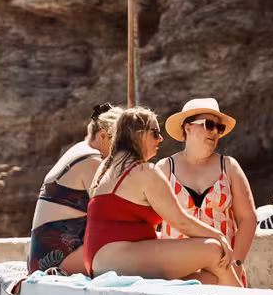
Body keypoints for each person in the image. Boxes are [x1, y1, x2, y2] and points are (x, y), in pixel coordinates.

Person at [84, 107, 242, 284]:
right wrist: (220, 237)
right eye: (155, 133)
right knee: (214, 250)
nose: (161, 138)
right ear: (138, 134)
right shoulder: (144, 170)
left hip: (99, 261)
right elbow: (182, 222)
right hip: (118, 260)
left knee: (207, 279)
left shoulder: (107, 166)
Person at [157, 98, 259, 286]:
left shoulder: (228, 166)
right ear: (187, 128)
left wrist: (236, 264)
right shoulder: (164, 169)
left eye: (218, 128)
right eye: (209, 125)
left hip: (224, 274)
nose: (215, 132)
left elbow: (248, 218)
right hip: (178, 275)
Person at [27, 104, 119, 275]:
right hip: (57, 260)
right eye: (121, 143)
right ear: (104, 136)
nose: (121, 152)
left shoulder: (80, 150)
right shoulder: (92, 160)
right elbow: (111, 216)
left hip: (45, 256)